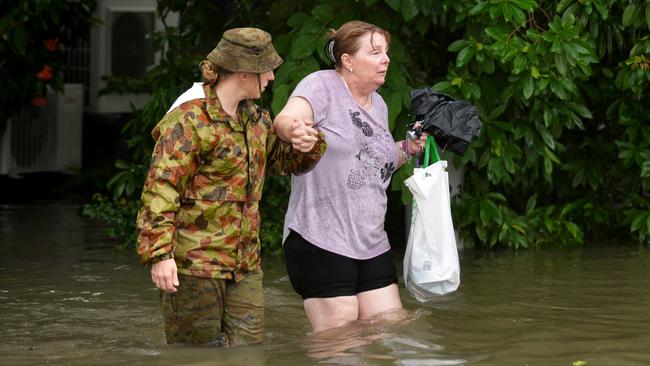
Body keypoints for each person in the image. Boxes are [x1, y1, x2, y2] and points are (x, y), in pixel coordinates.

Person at [136, 27, 326, 346]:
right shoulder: (190, 120)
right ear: (243, 72)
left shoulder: (256, 120)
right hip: (194, 263)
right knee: (195, 354)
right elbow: (160, 190)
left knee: (248, 352)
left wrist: (307, 143)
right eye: (266, 70)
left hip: (245, 264)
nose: (270, 79)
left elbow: (283, 163)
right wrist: (160, 255)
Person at [273, 20, 426, 333]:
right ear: (347, 60)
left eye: (386, 52)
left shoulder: (379, 104)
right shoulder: (322, 85)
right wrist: (295, 132)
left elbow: (372, 162)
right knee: (341, 345)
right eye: (375, 52)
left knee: (391, 331)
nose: (386, 59)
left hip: (370, 242)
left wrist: (409, 148)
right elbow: (287, 119)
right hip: (321, 239)